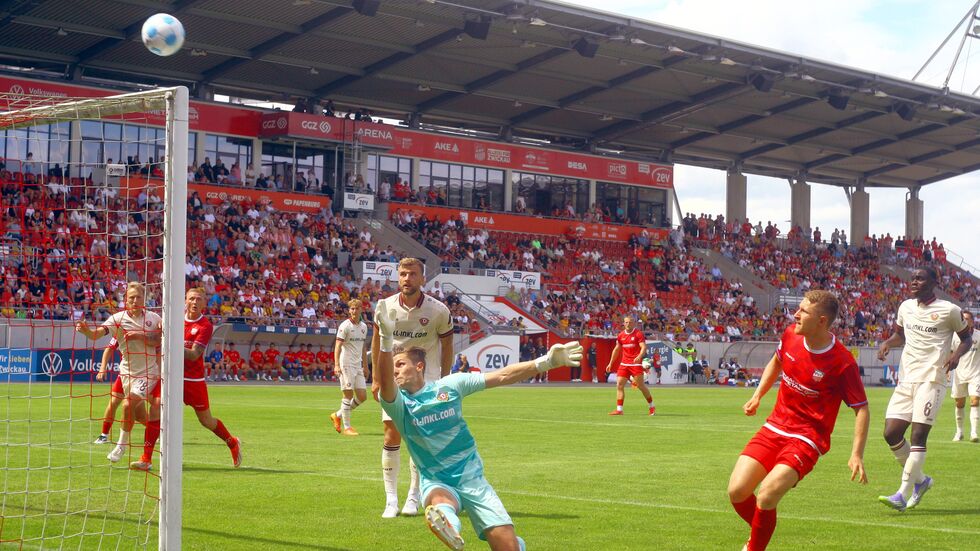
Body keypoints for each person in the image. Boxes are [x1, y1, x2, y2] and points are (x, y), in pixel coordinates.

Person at [373, 304, 582, 551]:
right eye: (393, 366)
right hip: (437, 480)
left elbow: (502, 376)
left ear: (419, 366)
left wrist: (545, 362)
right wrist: (385, 341)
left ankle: (513, 544)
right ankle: (447, 524)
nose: (395, 371)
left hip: (472, 478)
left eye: (401, 365)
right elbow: (384, 382)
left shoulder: (450, 386)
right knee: (439, 500)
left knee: (509, 548)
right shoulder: (399, 405)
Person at [728, 290, 869, 551]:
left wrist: (856, 453)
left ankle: (754, 547)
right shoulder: (791, 335)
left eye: (803, 311)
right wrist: (758, 395)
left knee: (768, 493)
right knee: (737, 491)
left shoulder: (842, 362)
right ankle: (762, 529)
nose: (796, 314)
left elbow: (861, 408)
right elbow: (776, 362)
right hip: (775, 426)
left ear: (822, 321)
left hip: (807, 438)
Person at [876, 266, 972, 511]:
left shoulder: (949, 310)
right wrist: (888, 342)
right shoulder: (905, 307)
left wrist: (956, 356)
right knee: (891, 433)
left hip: (933, 378)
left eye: (920, 278)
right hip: (906, 379)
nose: (914, 282)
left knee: (918, 436)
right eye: (913, 278)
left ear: (933, 283)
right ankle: (921, 481)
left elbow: (967, 338)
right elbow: (900, 335)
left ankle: (902, 492)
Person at [371, 258, 454, 518]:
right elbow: (375, 344)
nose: (407, 278)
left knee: (420, 439)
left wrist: (444, 381)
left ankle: (414, 496)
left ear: (422, 279)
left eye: (412, 274)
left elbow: (448, 346)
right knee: (391, 434)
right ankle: (391, 500)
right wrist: (375, 378)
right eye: (403, 274)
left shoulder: (438, 310)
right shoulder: (384, 306)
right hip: (393, 378)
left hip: (425, 381)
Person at [130, 287, 242, 471]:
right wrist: (137, 335)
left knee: (206, 421)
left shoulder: (205, 326)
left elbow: (193, 355)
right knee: (156, 409)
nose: (194, 302)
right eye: (191, 299)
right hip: (170, 375)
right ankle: (146, 459)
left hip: (193, 380)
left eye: (198, 299)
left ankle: (232, 442)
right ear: (185, 301)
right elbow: (156, 338)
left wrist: (170, 344)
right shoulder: (174, 320)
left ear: (204, 303)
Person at [75, 282, 162, 463]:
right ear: (125, 300)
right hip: (126, 374)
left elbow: (158, 340)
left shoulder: (154, 319)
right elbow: (97, 335)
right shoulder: (118, 319)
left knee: (126, 404)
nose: (135, 300)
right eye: (131, 297)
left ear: (144, 299)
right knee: (138, 415)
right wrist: (86, 331)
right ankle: (163, 434)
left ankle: (121, 446)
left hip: (148, 373)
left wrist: (140, 336)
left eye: (139, 297)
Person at [330, 299, 369, 436]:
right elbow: (338, 346)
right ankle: (347, 427)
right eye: (351, 309)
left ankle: (338, 415)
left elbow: (363, 348)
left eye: (356, 308)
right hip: (346, 363)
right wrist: (336, 365)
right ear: (349, 310)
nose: (353, 311)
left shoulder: (364, 327)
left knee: (362, 396)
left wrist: (365, 366)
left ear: (361, 310)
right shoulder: (344, 326)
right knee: (348, 394)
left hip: (357, 365)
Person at [605, 315, 655, 416]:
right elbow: (616, 349)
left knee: (641, 386)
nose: (628, 324)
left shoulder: (638, 334)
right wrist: (610, 363)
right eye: (626, 322)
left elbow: (643, 347)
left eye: (630, 322)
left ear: (634, 323)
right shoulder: (621, 335)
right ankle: (619, 410)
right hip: (624, 364)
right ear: (623, 323)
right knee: (619, 385)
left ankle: (651, 406)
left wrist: (639, 356)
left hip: (635, 364)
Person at [950, 311, 980, 442]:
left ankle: (974, 433)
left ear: (972, 321)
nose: (965, 321)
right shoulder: (955, 337)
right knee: (959, 403)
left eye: (968, 319)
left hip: (976, 373)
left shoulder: (979, 336)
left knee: (975, 400)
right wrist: (946, 371)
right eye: (963, 319)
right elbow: (950, 354)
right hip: (959, 373)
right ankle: (959, 432)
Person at [93, 338, 123, 444]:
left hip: (147, 372)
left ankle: (160, 431)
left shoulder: (152, 326)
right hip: (126, 373)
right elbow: (109, 349)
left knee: (139, 409)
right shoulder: (122, 329)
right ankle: (104, 435)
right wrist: (102, 368)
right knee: (113, 402)